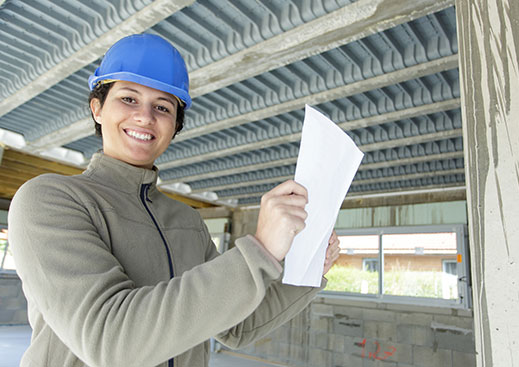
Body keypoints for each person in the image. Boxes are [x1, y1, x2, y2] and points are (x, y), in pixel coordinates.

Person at [8, 33, 340, 367]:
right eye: (128, 98)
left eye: (162, 107)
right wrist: (261, 249)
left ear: (175, 126)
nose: (145, 117)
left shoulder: (188, 222)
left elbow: (237, 326)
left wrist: (310, 271)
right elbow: (111, 342)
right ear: (97, 108)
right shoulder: (49, 200)